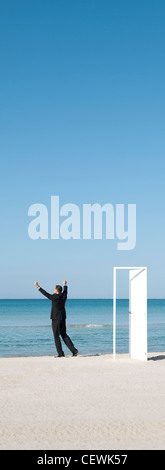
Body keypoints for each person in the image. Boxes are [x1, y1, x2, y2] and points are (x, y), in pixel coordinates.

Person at [34, 280, 78, 358]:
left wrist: (38, 286)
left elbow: (46, 294)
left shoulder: (54, 297)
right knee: (64, 334)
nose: (53, 291)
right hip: (63, 318)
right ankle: (74, 350)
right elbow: (65, 291)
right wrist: (65, 284)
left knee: (56, 336)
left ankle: (60, 353)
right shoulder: (64, 296)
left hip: (55, 318)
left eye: (54, 290)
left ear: (56, 291)